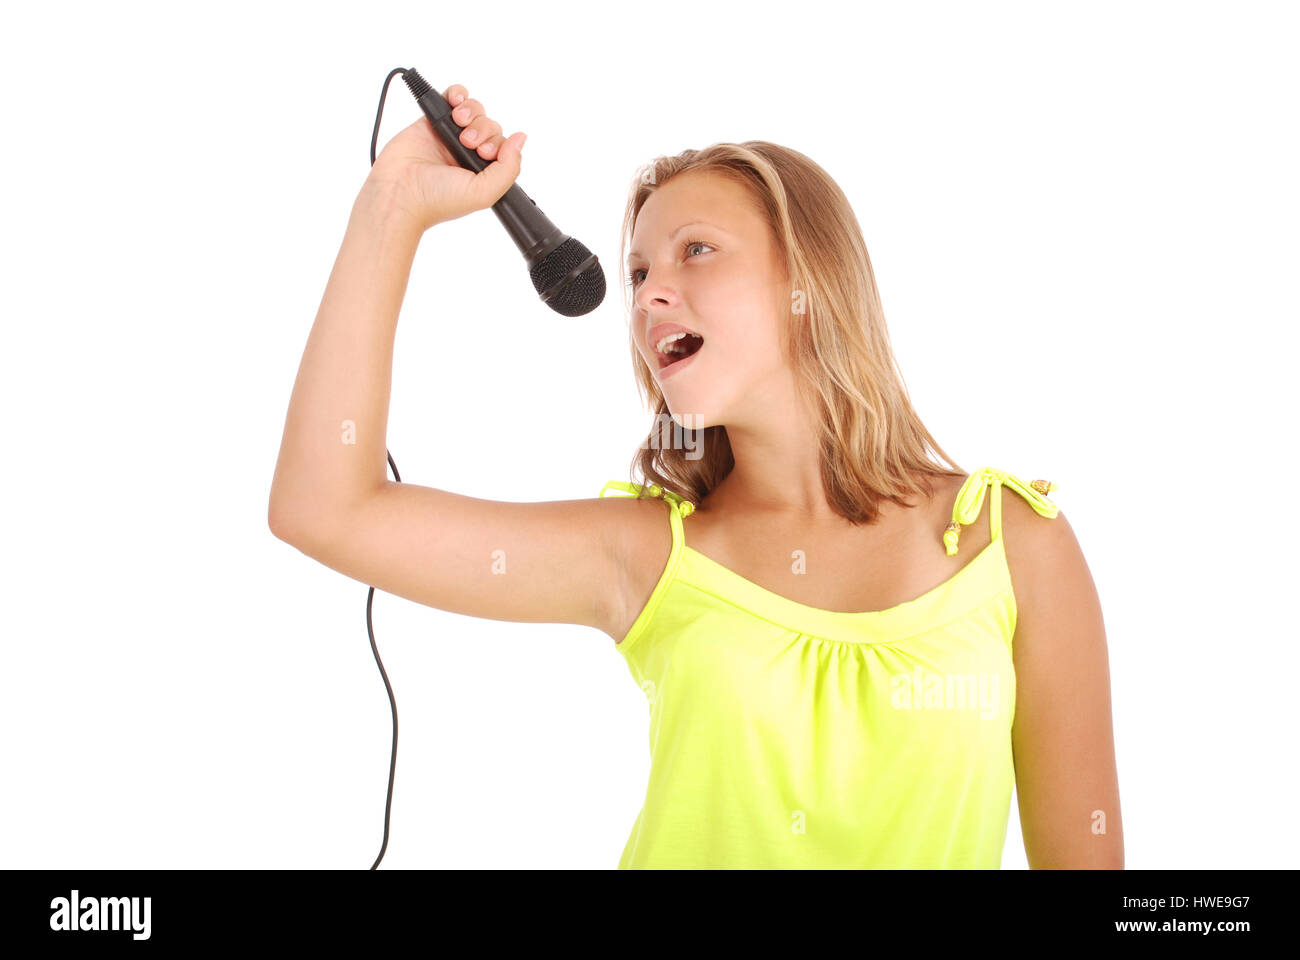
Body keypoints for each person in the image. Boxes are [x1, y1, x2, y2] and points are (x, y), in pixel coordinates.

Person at [268, 83, 1123, 869]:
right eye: (638, 273)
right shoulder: (646, 553)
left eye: (696, 252)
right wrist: (392, 208)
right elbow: (324, 507)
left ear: (809, 278)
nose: (646, 297)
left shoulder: (1014, 545)